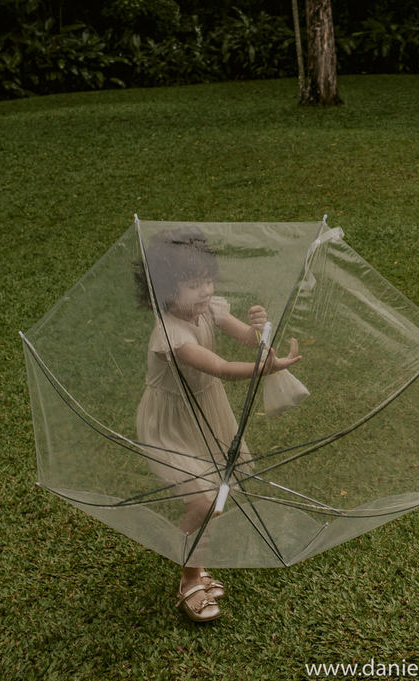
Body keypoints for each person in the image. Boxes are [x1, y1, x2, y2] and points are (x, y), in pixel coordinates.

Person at [134, 227, 301, 621]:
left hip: (207, 412)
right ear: (164, 290)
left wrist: (259, 329)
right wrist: (266, 369)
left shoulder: (210, 308)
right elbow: (223, 368)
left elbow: (245, 339)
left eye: (208, 280)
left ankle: (197, 561)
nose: (206, 290)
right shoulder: (169, 334)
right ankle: (190, 579)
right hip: (171, 424)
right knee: (205, 500)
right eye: (193, 284)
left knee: (217, 499)